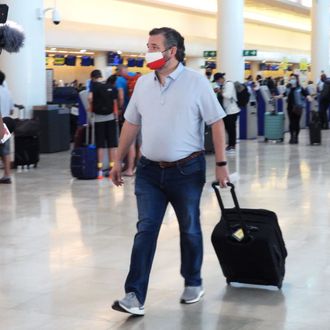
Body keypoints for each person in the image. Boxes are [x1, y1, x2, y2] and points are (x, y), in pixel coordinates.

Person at [111, 27, 229, 316]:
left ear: (171, 51)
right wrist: (118, 161)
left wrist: (222, 165)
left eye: (153, 46)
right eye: (147, 45)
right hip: (149, 171)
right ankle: (134, 295)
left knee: (189, 227)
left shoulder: (196, 83)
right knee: (145, 229)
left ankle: (193, 281)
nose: (148, 50)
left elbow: (216, 123)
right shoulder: (142, 83)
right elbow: (131, 124)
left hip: (187, 170)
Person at [88, 70, 118, 179]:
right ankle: (111, 169)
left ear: (92, 77)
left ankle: (99, 171)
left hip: (98, 119)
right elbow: (115, 103)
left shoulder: (94, 86)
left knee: (100, 145)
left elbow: (90, 98)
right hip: (111, 118)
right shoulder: (110, 86)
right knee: (112, 145)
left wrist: (90, 107)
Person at [213, 72, 240, 153]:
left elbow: (227, 95)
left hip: (232, 110)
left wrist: (220, 91)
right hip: (227, 111)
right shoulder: (224, 85)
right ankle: (230, 144)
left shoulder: (229, 84)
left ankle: (232, 145)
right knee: (228, 128)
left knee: (231, 129)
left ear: (221, 79)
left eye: (218, 80)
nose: (218, 82)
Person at [280, 73, 309, 144]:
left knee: (296, 123)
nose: (292, 80)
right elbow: (284, 94)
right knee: (291, 122)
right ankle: (292, 137)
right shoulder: (288, 87)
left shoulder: (300, 88)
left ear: (296, 80)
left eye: (294, 78)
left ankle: (296, 137)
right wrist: (277, 96)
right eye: (291, 78)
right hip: (290, 108)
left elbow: (306, 93)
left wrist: (309, 97)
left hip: (298, 108)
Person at [0, 71, 14, 184]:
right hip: (6, 123)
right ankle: (7, 175)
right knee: (5, 151)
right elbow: (11, 110)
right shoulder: (7, 92)